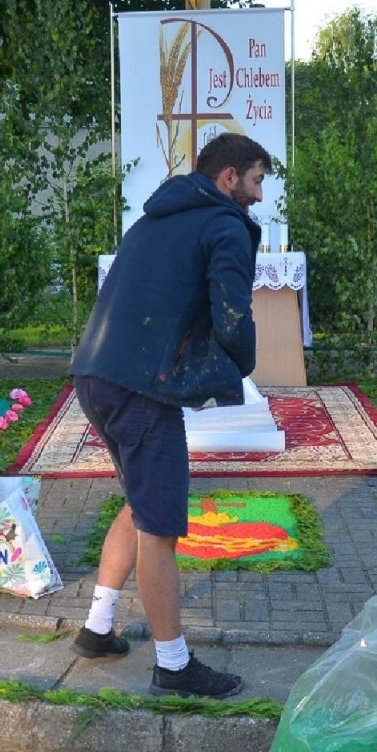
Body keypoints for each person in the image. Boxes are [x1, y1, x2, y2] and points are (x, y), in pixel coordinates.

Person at [66, 131, 272, 699]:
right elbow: (232, 314)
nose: (258, 196)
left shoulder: (157, 215)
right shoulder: (223, 223)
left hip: (96, 375)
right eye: (255, 181)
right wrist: (244, 364)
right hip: (141, 387)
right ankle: (174, 666)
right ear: (228, 177)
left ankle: (97, 627)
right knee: (160, 528)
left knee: (140, 503)